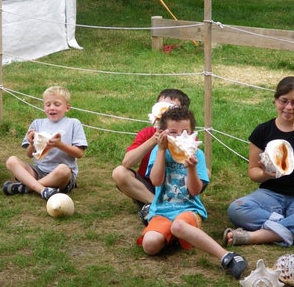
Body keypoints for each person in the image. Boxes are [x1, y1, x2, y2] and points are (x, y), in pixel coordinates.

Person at [136, 106, 247, 279]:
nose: (179, 137)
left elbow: (195, 191)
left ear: (193, 134)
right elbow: (156, 181)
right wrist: (161, 150)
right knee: (150, 246)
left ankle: (227, 256)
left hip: (189, 209)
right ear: (162, 132)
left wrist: (191, 169)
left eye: (185, 132)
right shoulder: (158, 152)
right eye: (173, 132)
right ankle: (176, 236)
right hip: (161, 211)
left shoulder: (198, 155)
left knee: (179, 225)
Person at [223, 76, 294, 247]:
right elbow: (253, 172)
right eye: (284, 101)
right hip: (270, 196)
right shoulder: (262, 131)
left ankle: (253, 237)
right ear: (275, 100)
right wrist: (265, 174)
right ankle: (286, 227)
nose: (289, 107)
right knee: (236, 209)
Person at [112, 89, 191, 225]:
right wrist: (154, 140)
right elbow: (127, 163)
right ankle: (156, 205)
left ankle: (162, 207)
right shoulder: (147, 133)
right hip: (148, 187)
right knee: (119, 172)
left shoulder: (185, 136)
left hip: (174, 187)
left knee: (205, 172)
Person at [3, 86, 88, 201]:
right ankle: (42, 189)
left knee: (64, 169)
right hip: (39, 171)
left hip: (62, 176)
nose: (52, 108)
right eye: (48, 105)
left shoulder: (73, 123)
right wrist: (32, 143)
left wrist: (59, 145)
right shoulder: (37, 124)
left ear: (67, 107)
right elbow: (29, 155)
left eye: (57, 104)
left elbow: (79, 153)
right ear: (44, 107)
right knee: (11, 161)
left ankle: (27, 187)